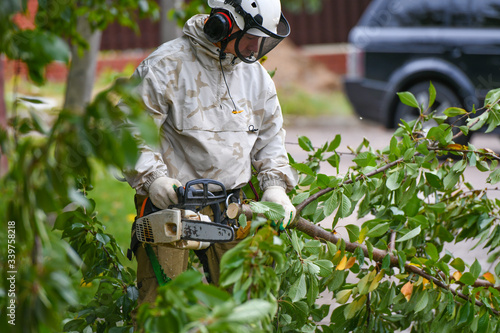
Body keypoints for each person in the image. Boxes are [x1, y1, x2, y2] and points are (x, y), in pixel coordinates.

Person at [120, 0, 297, 308]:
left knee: (243, 308)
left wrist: (275, 186)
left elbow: (270, 137)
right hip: (172, 205)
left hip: (231, 208)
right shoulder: (166, 66)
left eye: (262, 40)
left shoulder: (255, 78)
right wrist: (153, 179)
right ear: (225, 23)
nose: (256, 48)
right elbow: (129, 130)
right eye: (252, 37)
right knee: (161, 310)